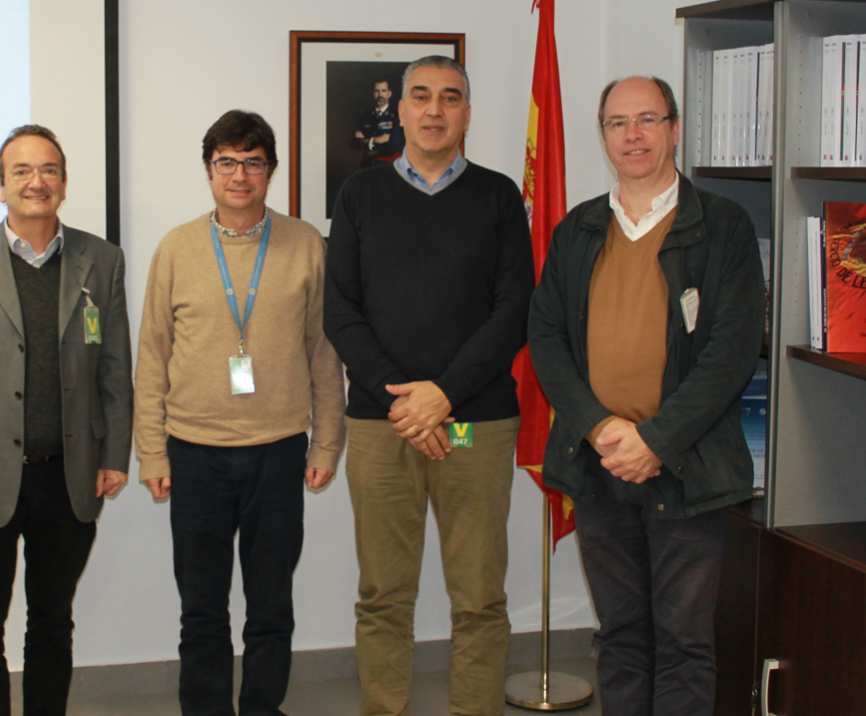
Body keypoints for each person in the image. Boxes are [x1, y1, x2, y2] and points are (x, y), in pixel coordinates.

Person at [528, 76, 764, 716]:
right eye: (617, 123)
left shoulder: (723, 226)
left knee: (685, 642)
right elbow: (546, 338)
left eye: (648, 120)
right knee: (621, 636)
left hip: (688, 469)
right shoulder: (578, 229)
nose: (633, 135)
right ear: (603, 135)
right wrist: (600, 428)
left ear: (674, 129)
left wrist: (656, 441)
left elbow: (733, 351)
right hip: (599, 464)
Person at [324, 55, 534, 716]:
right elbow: (340, 311)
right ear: (401, 111)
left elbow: (514, 311)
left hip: (475, 423)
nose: (435, 110)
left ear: (467, 114)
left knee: (479, 598)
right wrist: (405, 399)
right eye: (421, 96)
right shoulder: (360, 194)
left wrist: (442, 397)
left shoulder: (500, 196)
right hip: (381, 424)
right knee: (383, 595)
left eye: (450, 97)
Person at [134, 109, 346, 716]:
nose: (239, 174)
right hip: (193, 452)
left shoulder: (306, 244)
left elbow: (324, 351)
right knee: (202, 608)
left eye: (253, 162)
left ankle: (261, 708)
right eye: (226, 161)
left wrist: (326, 443)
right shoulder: (176, 248)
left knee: (270, 605)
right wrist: (152, 452)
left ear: (270, 171)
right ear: (208, 171)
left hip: (279, 450)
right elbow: (152, 356)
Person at [0, 123, 133, 716]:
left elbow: (115, 367)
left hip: (69, 474)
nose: (37, 181)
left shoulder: (101, 260)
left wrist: (114, 454)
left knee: (52, 621)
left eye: (49, 170)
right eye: (22, 171)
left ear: (63, 182)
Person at [353, 79, 405, 165]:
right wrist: (374, 140)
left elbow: (393, 146)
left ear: (389, 94)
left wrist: (366, 142)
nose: (380, 95)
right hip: (367, 166)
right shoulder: (365, 116)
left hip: (388, 166)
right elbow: (353, 143)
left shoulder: (397, 116)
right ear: (372, 94)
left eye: (383, 91)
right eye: (377, 91)